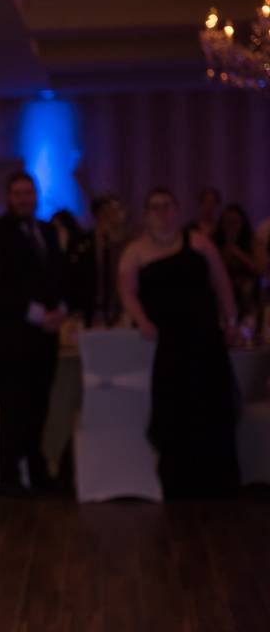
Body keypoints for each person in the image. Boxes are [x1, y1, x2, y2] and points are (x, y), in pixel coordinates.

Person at [119, 187, 240, 498]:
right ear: (146, 214)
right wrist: (143, 320)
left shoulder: (198, 242)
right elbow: (127, 292)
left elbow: (221, 282)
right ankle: (179, 483)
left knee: (210, 405)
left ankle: (216, 481)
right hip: (167, 342)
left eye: (168, 206)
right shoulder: (135, 251)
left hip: (204, 337)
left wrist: (231, 321)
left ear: (177, 210)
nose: (162, 212)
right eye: (155, 207)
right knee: (174, 408)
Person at [0, 172, 66, 492]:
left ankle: (37, 469)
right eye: (17, 193)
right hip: (13, 337)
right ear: (8, 197)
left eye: (29, 193)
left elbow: (59, 274)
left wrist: (60, 309)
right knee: (14, 407)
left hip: (46, 337)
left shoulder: (47, 231)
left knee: (40, 405)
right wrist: (33, 313)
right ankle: (9, 476)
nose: (24, 198)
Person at [68, 194, 128, 327]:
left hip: (123, 312)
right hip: (90, 313)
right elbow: (73, 280)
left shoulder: (128, 246)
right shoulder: (82, 244)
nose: (117, 216)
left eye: (119, 210)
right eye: (111, 211)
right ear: (99, 215)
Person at [212, 203, 261, 327]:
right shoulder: (213, 243)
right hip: (221, 295)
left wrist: (238, 253)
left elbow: (260, 269)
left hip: (247, 295)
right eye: (227, 222)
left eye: (235, 222)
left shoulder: (251, 241)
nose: (231, 226)